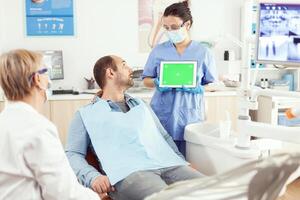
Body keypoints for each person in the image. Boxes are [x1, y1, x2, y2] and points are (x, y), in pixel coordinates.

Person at [65, 55, 203, 200]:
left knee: (216, 190)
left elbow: (164, 137)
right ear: (110, 73)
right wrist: (93, 177)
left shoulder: (142, 105)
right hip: (130, 173)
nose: (131, 69)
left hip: (169, 164)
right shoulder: (85, 114)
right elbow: (72, 154)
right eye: (124, 65)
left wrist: (181, 161)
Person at [0, 49, 99, 200]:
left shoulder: (5, 121)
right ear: (37, 79)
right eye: (46, 71)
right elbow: (63, 193)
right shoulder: (37, 128)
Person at [142, 2, 218, 156]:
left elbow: (213, 84)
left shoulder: (203, 52)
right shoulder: (159, 51)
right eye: (166, 28)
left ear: (187, 24)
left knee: (189, 159)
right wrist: (158, 83)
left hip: (190, 114)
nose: (170, 31)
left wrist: (199, 88)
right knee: (163, 159)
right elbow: (146, 80)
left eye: (174, 27)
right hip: (163, 113)